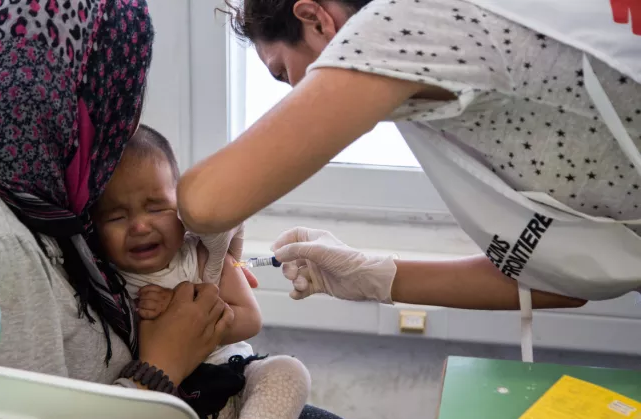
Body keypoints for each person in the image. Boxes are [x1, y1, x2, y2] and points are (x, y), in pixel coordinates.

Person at [0, 0, 384, 419]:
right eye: (124, 93)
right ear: (87, 95)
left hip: (151, 398)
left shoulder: (15, 169)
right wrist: (162, 366)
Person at [178, 0, 641, 311]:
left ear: (317, 20)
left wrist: (221, 223)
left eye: (285, 73)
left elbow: (206, 202)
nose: (301, 93)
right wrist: (373, 277)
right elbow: (568, 276)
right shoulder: (437, 80)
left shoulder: (402, 22)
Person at [94, 124, 311, 419]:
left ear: (181, 209)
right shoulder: (107, 279)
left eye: (156, 208)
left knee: (288, 370)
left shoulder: (201, 258)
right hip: (174, 405)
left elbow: (250, 320)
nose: (139, 226)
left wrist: (183, 310)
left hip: (233, 380)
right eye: (116, 216)